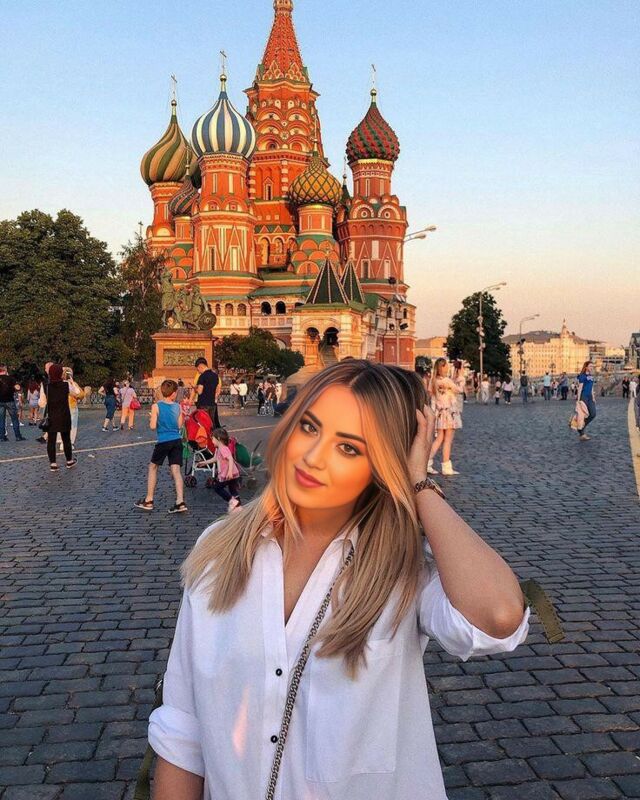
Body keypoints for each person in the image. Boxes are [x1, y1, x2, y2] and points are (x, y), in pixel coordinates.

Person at [148, 360, 529, 800]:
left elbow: (498, 616)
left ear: (384, 465)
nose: (313, 457)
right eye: (309, 427)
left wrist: (419, 484)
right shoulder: (218, 550)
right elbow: (184, 731)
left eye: (349, 448)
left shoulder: (402, 568)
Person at [135, 380, 187, 513]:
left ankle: (149, 499)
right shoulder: (178, 406)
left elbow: (152, 426)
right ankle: (180, 501)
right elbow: (179, 425)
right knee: (176, 471)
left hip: (164, 440)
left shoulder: (156, 406)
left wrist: (153, 418)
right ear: (173, 393)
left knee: (153, 467)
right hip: (176, 440)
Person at [428, 357, 463, 476]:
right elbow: (459, 389)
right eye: (446, 365)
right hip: (449, 413)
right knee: (448, 440)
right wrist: (461, 378)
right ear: (442, 367)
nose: (447, 367)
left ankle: (427, 462)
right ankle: (446, 467)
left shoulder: (433, 381)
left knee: (439, 439)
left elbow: (432, 398)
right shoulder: (447, 381)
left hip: (439, 413)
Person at [45, 364, 80, 470]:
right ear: (60, 373)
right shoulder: (66, 385)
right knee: (66, 439)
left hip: (52, 416)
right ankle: (69, 461)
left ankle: (53, 464)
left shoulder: (46, 386)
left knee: (51, 441)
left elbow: (41, 402)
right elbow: (76, 393)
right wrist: (72, 382)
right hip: (64, 415)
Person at [211, 427, 242, 512]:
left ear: (218, 438)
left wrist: (229, 472)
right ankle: (238, 507)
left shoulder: (223, 448)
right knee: (233, 490)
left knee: (217, 488)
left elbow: (230, 459)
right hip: (232, 473)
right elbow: (215, 459)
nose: (212, 441)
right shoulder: (219, 448)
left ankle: (232, 502)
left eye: (212, 439)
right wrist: (203, 463)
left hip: (228, 474)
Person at [59, 368, 83, 453]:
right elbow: (80, 394)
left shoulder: (58, 384)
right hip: (71, 406)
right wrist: (73, 383)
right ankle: (70, 442)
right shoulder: (72, 384)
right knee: (72, 426)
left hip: (61, 407)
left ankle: (62, 442)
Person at [192, 358, 221, 427]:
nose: (198, 371)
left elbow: (199, 392)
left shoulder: (202, 376)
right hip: (212, 404)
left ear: (200, 366)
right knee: (211, 424)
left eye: (198, 369)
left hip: (203, 404)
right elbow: (217, 391)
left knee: (203, 424)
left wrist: (194, 387)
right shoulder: (215, 376)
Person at [0, 365, 26, 442]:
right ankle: (18, 436)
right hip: (10, 401)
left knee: (1, 419)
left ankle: (2, 437)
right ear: (5, 370)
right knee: (14, 419)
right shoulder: (11, 378)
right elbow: (18, 387)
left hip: (0, 401)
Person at [576, 360, 596, 441]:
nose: (592, 368)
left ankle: (581, 426)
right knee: (583, 414)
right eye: (590, 366)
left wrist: (593, 397)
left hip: (590, 397)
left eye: (592, 366)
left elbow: (591, 387)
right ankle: (582, 433)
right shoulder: (582, 376)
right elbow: (580, 388)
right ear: (586, 367)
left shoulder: (591, 376)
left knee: (593, 414)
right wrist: (578, 399)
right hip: (583, 397)